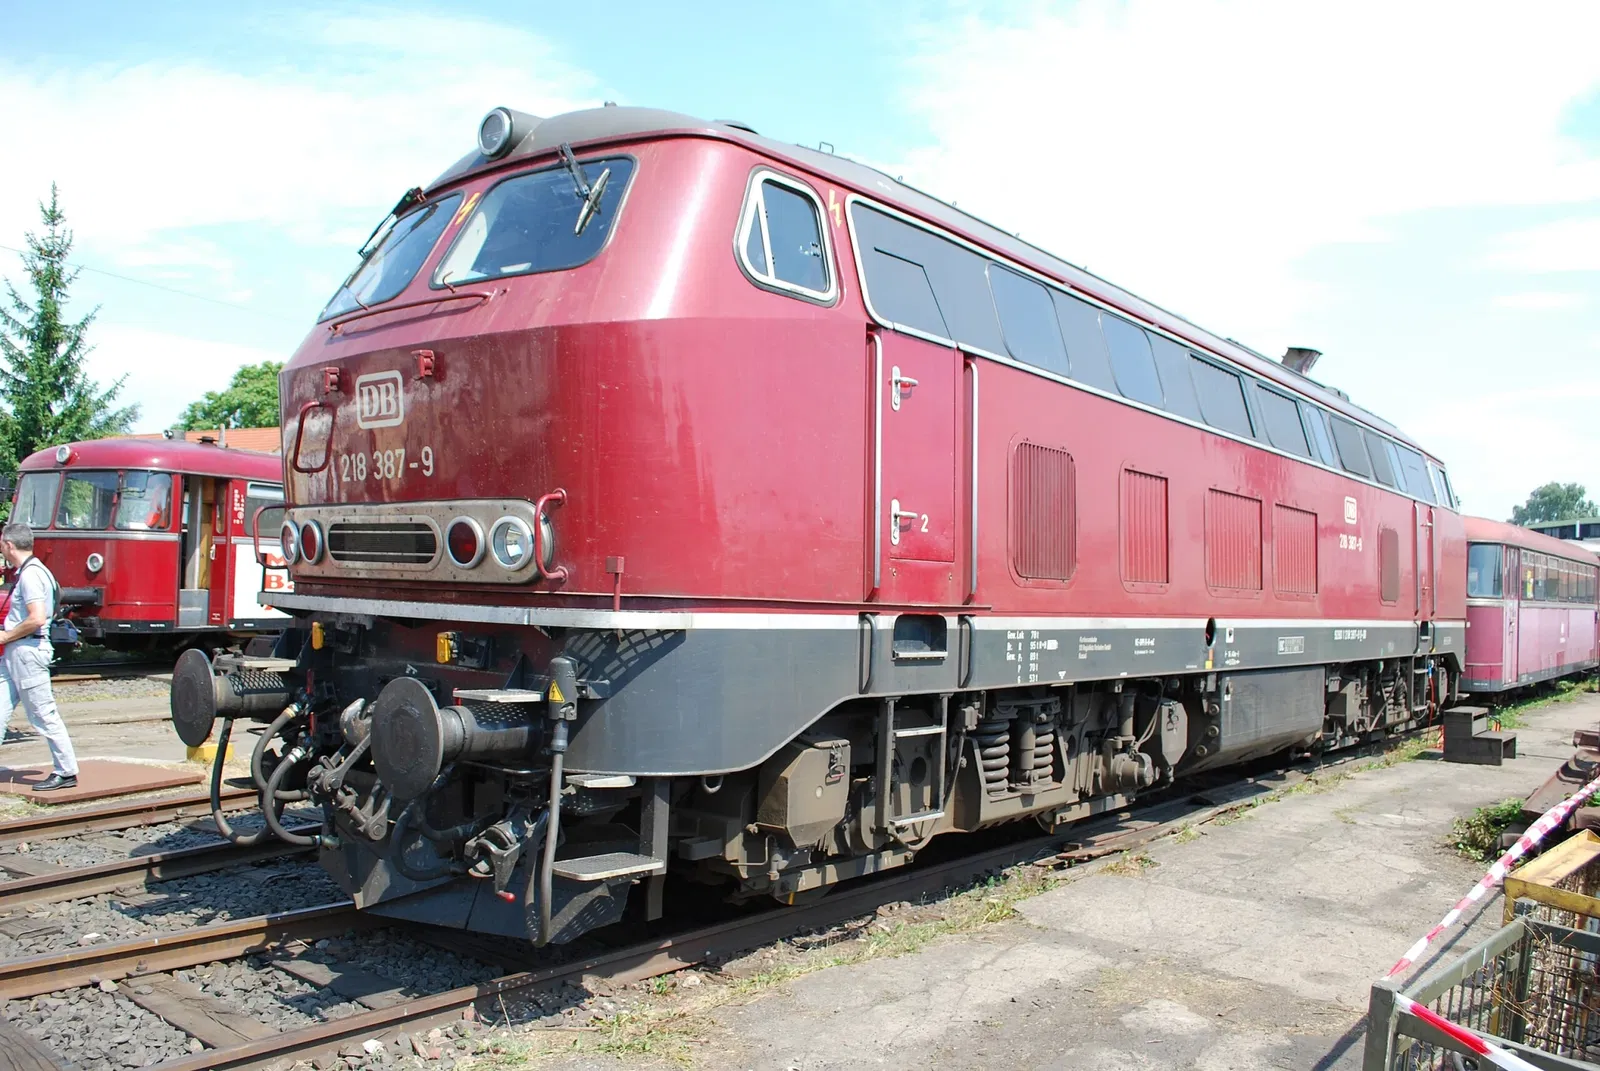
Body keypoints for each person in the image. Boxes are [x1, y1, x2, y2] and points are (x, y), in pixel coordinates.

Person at [0, 522, 77, 791]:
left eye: (1, 543)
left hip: (27, 651)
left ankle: (66, 771)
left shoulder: (32, 575)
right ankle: (65, 769)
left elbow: (35, 618)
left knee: (43, 714)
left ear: (9, 545)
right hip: (18, 651)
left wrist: (6, 636)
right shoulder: (31, 571)